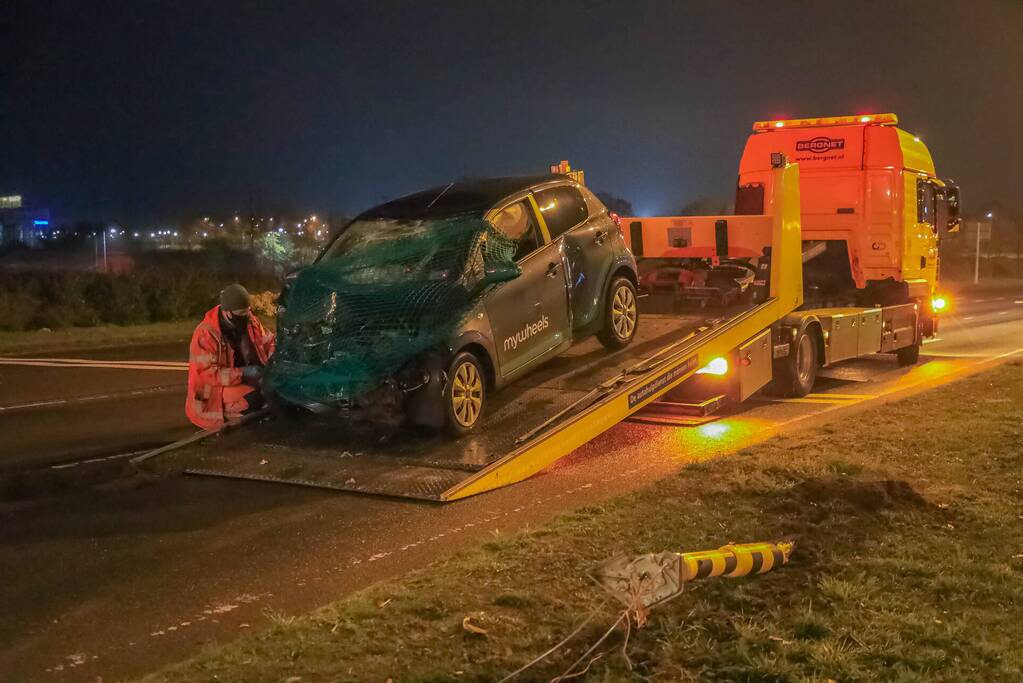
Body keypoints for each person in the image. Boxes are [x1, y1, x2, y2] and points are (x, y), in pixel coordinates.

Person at [185, 284, 276, 430]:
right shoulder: (206, 334)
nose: (246, 316)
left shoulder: (250, 321)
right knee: (254, 398)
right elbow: (208, 374)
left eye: (247, 311)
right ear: (226, 311)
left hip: (244, 379)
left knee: (273, 393)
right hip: (215, 391)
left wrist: (274, 357)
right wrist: (243, 373)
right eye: (241, 313)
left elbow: (268, 341)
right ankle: (233, 416)